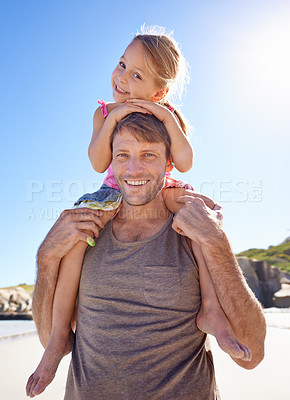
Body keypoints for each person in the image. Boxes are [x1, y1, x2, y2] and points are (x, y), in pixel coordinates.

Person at [26, 26, 252, 397]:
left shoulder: (168, 114)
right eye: (121, 64)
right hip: (114, 192)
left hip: (161, 190)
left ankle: (211, 308)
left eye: (136, 75)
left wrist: (163, 117)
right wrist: (116, 117)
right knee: (78, 238)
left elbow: (185, 161)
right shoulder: (103, 113)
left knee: (196, 218)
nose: (122, 77)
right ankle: (57, 341)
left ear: (160, 91)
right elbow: (100, 162)